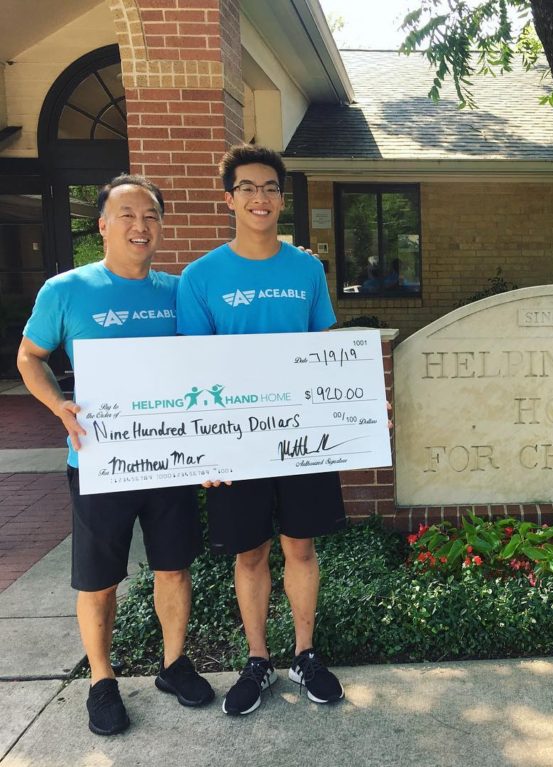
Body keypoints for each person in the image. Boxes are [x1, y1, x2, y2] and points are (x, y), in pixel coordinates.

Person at [17, 175, 214, 736]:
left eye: (150, 216)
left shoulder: (179, 291)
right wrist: (58, 405)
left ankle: (174, 665)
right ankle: (101, 680)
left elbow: (210, 364)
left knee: (173, 566)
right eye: (127, 215)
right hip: (99, 460)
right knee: (99, 578)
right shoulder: (66, 289)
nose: (140, 226)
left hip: (169, 461)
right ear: (102, 225)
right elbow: (30, 357)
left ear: (161, 227)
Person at [176, 144, 346, 716]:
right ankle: (258, 660)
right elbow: (194, 371)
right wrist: (203, 450)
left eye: (270, 188)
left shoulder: (307, 269)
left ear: (281, 198)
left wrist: (356, 411)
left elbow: (325, 352)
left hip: (301, 437)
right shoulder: (200, 276)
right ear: (229, 199)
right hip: (236, 443)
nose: (260, 197)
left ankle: (305, 655)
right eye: (247, 188)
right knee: (249, 553)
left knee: (301, 545)